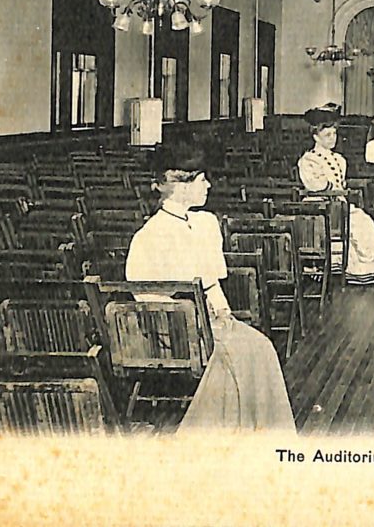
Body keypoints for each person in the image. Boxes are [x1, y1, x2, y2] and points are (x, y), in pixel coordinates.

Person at [125, 140, 296, 432]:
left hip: (208, 323)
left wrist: (223, 313)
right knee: (247, 352)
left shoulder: (204, 223)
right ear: (182, 187)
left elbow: (212, 283)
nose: (209, 186)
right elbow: (147, 298)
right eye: (202, 180)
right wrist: (199, 325)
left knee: (260, 347)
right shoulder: (149, 236)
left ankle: (257, 435)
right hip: (175, 331)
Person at [298, 108, 374, 285]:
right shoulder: (309, 160)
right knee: (358, 222)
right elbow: (316, 186)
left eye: (334, 134)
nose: (333, 138)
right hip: (319, 206)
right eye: (327, 135)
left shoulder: (339, 159)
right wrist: (336, 193)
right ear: (316, 137)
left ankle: (365, 265)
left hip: (337, 204)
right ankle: (339, 264)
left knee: (365, 222)